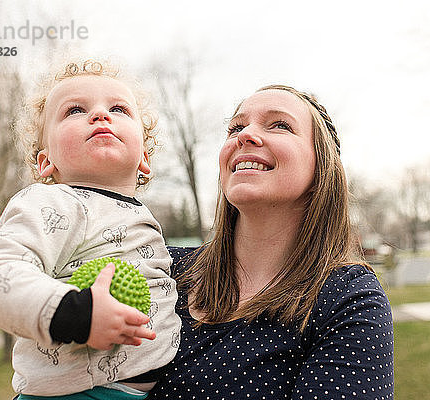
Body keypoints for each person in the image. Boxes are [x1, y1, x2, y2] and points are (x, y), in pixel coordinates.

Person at [147, 85, 394, 399]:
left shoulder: (348, 300)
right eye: (236, 127)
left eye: (280, 125)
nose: (245, 135)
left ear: (322, 166)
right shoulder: (162, 268)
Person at [0, 60, 181, 399]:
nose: (100, 114)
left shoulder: (138, 214)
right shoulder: (52, 202)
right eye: (75, 110)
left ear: (144, 158)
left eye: (119, 108)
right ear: (45, 161)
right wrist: (78, 314)